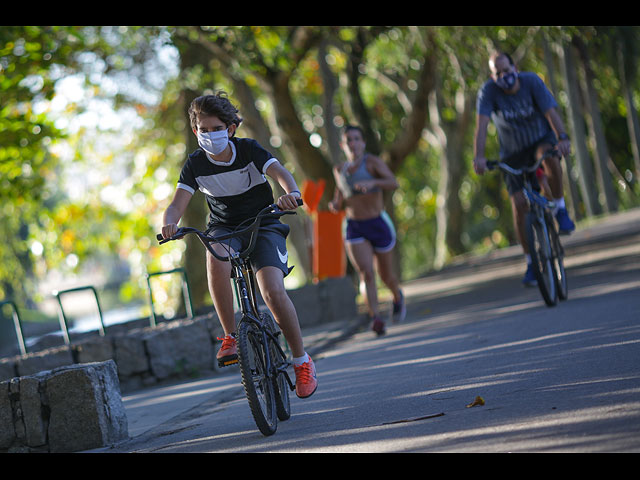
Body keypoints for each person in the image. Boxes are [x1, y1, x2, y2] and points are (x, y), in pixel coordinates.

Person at [161, 92, 317, 399]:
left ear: (231, 128)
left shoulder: (248, 150)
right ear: (196, 132)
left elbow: (281, 174)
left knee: (272, 291)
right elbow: (176, 204)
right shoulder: (194, 164)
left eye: (216, 129)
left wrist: (291, 194)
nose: (209, 136)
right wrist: (168, 223)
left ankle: (301, 361)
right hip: (225, 228)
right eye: (203, 131)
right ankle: (231, 336)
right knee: (215, 257)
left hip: (263, 223)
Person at [473, 52, 575, 287]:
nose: (503, 76)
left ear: (515, 67)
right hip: (512, 153)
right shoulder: (488, 92)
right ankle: (531, 262)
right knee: (519, 206)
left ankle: (560, 209)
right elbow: (482, 125)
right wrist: (478, 157)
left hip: (541, 139)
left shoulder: (531, 82)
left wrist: (562, 137)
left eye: (506, 70)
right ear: (492, 75)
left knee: (549, 158)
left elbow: (551, 112)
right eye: (497, 73)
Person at [329, 125, 406, 336]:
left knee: (386, 275)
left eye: (356, 139)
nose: (352, 143)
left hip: (378, 223)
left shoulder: (372, 163)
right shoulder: (339, 170)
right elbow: (340, 193)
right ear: (343, 145)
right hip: (355, 227)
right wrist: (336, 203)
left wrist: (373, 181)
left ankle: (397, 296)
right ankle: (376, 318)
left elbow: (393, 182)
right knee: (366, 274)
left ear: (363, 143)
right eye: (348, 140)